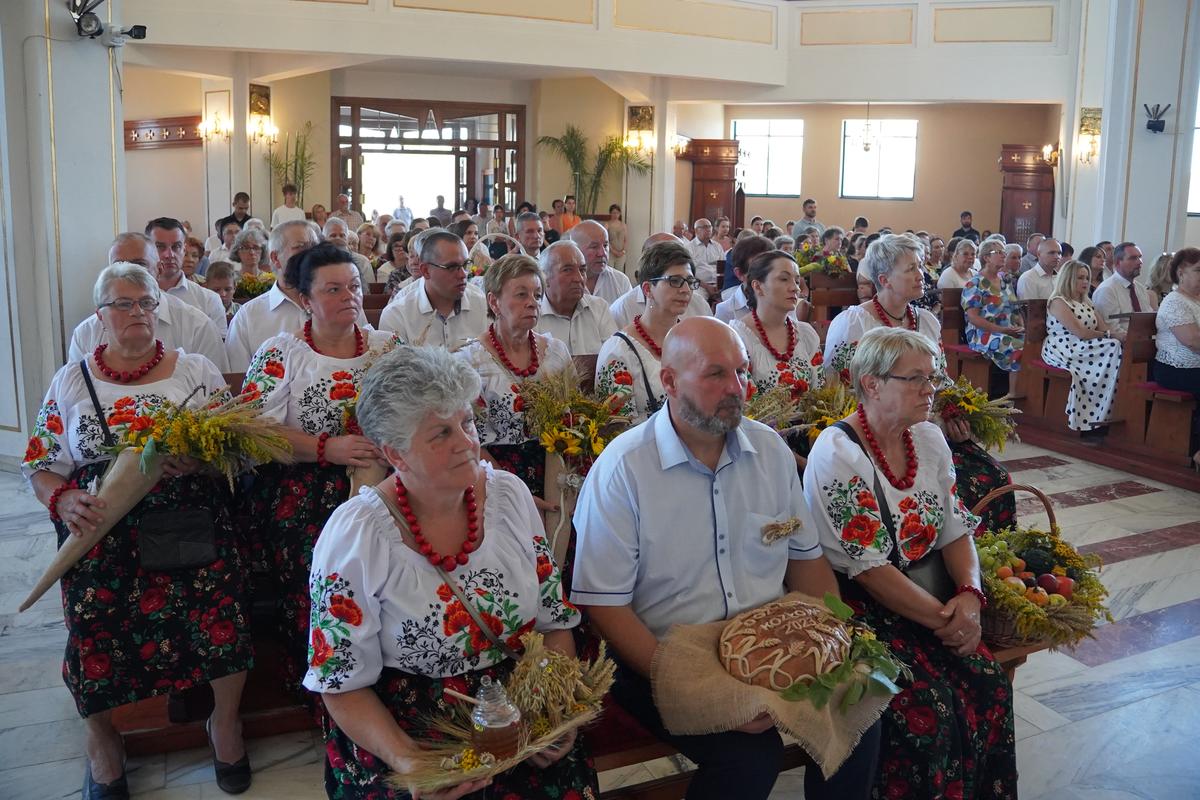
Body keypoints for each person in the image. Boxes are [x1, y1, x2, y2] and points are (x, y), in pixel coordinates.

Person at [573, 316, 881, 800]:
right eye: (716, 374)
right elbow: (604, 605)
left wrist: (829, 641)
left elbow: (806, 561)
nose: (736, 388)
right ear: (669, 380)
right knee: (749, 758)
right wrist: (701, 688)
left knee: (861, 709)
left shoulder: (770, 451)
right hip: (665, 651)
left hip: (769, 640)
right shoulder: (625, 469)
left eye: (741, 371)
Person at [304, 345, 597, 799]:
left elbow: (553, 623)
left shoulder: (509, 496)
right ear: (395, 453)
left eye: (467, 422)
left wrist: (555, 709)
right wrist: (409, 760)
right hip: (414, 731)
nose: (466, 443)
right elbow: (340, 682)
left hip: (518, 715)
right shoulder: (358, 535)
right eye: (441, 433)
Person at [25, 262, 254, 797]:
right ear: (99, 316)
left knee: (222, 610)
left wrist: (200, 461)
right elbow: (40, 463)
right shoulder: (72, 379)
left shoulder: (195, 369)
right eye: (123, 304)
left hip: (187, 521)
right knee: (90, 622)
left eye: (146, 302)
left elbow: (240, 451)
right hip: (101, 528)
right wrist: (62, 498)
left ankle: (224, 722)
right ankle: (102, 739)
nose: (138, 312)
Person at [804, 326, 1016, 799]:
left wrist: (970, 596)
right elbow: (869, 569)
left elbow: (955, 528)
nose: (930, 389)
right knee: (927, 713)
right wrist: (948, 620)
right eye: (916, 378)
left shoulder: (928, 439)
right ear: (872, 384)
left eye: (933, 377)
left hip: (930, 596)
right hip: (863, 608)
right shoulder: (838, 453)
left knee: (990, 686)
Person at [240, 242, 400, 690]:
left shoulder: (387, 348)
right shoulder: (282, 353)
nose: (349, 296)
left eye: (354, 286)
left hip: (383, 482)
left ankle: (387, 676)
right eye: (333, 289)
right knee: (322, 569)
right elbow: (255, 433)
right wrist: (328, 448)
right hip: (304, 487)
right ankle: (326, 680)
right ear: (305, 299)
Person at [825, 234, 1016, 532]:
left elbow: (940, 379)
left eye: (921, 266)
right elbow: (836, 391)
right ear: (885, 280)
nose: (921, 275)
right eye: (911, 269)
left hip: (929, 430)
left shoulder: (926, 320)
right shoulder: (855, 323)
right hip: (877, 436)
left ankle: (980, 555)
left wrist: (953, 414)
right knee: (959, 487)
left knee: (996, 479)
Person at [456, 254, 571, 502]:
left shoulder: (556, 352)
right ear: (494, 302)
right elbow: (467, 440)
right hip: (494, 478)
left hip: (555, 472)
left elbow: (573, 421)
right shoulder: (469, 361)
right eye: (521, 294)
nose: (532, 303)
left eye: (537, 295)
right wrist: (513, 492)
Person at [69, 233, 229, 370]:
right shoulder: (87, 332)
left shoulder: (197, 327)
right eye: (119, 265)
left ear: (159, 269)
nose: (129, 273)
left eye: (140, 265)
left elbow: (217, 391)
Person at [224, 220, 364, 372]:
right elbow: (240, 378)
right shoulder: (249, 317)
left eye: (315, 247)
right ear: (275, 258)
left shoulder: (345, 304)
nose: (311, 255)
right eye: (300, 247)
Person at [595, 241, 696, 423]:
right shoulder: (619, 351)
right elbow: (616, 426)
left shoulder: (695, 341)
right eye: (674, 281)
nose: (685, 290)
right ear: (648, 289)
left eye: (689, 281)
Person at [1041, 260, 1125, 437]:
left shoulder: (1086, 302)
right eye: (1080, 278)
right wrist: (1111, 336)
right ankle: (1090, 415)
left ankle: (1104, 413)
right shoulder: (1058, 302)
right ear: (1068, 279)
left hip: (1085, 345)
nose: (1085, 281)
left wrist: (1119, 335)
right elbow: (1080, 332)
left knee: (1117, 346)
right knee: (1113, 346)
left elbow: (1104, 329)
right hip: (1064, 346)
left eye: (1087, 278)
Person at [729, 249, 823, 400]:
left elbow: (820, 393)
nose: (795, 288)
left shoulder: (806, 334)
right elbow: (747, 404)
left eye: (797, 281)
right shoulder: (738, 338)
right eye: (784, 279)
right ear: (758, 286)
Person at [379, 231, 487, 349]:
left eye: (466, 265)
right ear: (426, 271)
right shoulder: (397, 315)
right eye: (451, 267)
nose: (463, 274)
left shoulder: (482, 305)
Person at [1152, 248, 1200, 465]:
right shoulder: (1175, 302)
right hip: (1175, 369)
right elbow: (1193, 341)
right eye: (1198, 270)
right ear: (1181, 273)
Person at [962, 239, 1024, 393]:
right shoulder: (975, 283)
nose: (1004, 255)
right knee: (1018, 347)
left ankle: (1027, 393)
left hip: (1008, 330)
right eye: (999, 252)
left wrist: (1021, 327)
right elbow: (973, 317)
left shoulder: (1005, 281)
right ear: (986, 258)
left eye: (1004, 252)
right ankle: (1013, 395)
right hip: (983, 334)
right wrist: (1002, 330)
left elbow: (1015, 309)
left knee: (1034, 344)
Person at [535, 240, 617, 356]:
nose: (579, 278)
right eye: (567, 270)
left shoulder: (599, 308)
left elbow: (613, 357)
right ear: (544, 278)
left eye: (582, 270)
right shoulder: (533, 315)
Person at [1092, 241, 1158, 334]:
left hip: (1147, 338)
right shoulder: (1107, 290)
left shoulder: (1140, 288)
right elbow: (1111, 329)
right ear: (1118, 263)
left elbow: (1148, 319)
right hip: (1123, 341)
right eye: (1133, 258)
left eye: (1140, 257)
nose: (1140, 262)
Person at [569, 219, 631, 304]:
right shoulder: (562, 283)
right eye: (594, 247)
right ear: (575, 250)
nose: (602, 253)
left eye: (605, 245)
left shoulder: (621, 281)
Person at [714, 234, 774, 323]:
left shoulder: (783, 303)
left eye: (772, 268)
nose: (768, 275)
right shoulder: (726, 311)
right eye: (758, 269)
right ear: (740, 274)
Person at [323, 217, 376, 284]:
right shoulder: (317, 261)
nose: (338, 239)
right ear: (324, 239)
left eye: (342, 236)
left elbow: (368, 289)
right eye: (333, 236)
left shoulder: (362, 262)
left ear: (347, 238)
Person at [688, 218, 724, 298]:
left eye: (709, 226)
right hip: (700, 286)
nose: (708, 229)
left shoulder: (717, 246)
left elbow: (723, 268)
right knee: (697, 297)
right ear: (696, 230)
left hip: (719, 285)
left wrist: (719, 285)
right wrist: (707, 287)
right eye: (704, 227)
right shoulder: (689, 248)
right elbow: (688, 274)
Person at [606, 203, 629, 271]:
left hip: (621, 254)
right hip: (611, 253)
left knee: (619, 272)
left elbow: (626, 240)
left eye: (617, 213)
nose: (615, 215)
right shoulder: (607, 225)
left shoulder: (623, 225)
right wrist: (613, 251)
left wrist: (623, 251)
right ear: (610, 213)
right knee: (610, 272)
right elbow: (606, 240)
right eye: (614, 213)